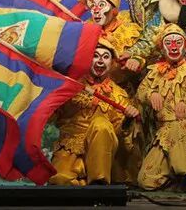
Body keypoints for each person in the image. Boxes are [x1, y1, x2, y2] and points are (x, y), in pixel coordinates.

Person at [49, 39, 140, 185]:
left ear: (112, 63)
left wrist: (127, 120)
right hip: (71, 146)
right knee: (60, 181)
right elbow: (52, 115)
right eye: (96, 56)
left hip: (103, 152)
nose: (100, 61)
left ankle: (99, 184)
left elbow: (119, 133)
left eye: (105, 57)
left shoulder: (119, 94)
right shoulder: (71, 85)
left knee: (101, 124)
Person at [136, 23, 186, 190]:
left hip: (185, 129)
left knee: (181, 126)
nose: (174, 47)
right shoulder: (154, 72)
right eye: (168, 43)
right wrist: (150, 94)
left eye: (178, 42)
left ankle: (185, 175)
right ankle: (175, 180)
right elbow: (140, 92)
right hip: (162, 133)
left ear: (185, 46)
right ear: (162, 48)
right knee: (146, 181)